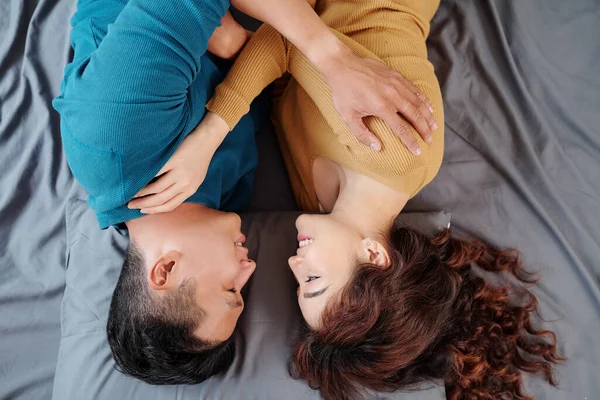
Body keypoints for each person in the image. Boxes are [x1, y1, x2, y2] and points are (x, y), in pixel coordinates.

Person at [137, 0, 563, 397]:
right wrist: (211, 133)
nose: (292, 263)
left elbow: (283, 60)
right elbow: (287, 42)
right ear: (375, 256)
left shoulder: (317, 204)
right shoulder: (396, 150)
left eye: (298, 284)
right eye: (314, 280)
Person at [54, 0, 435, 386]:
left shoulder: (115, 140)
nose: (250, 268)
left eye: (229, 288)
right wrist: (233, 45)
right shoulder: (229, 200)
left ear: (166, 269)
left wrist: (228, 37)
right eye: (242, 290)